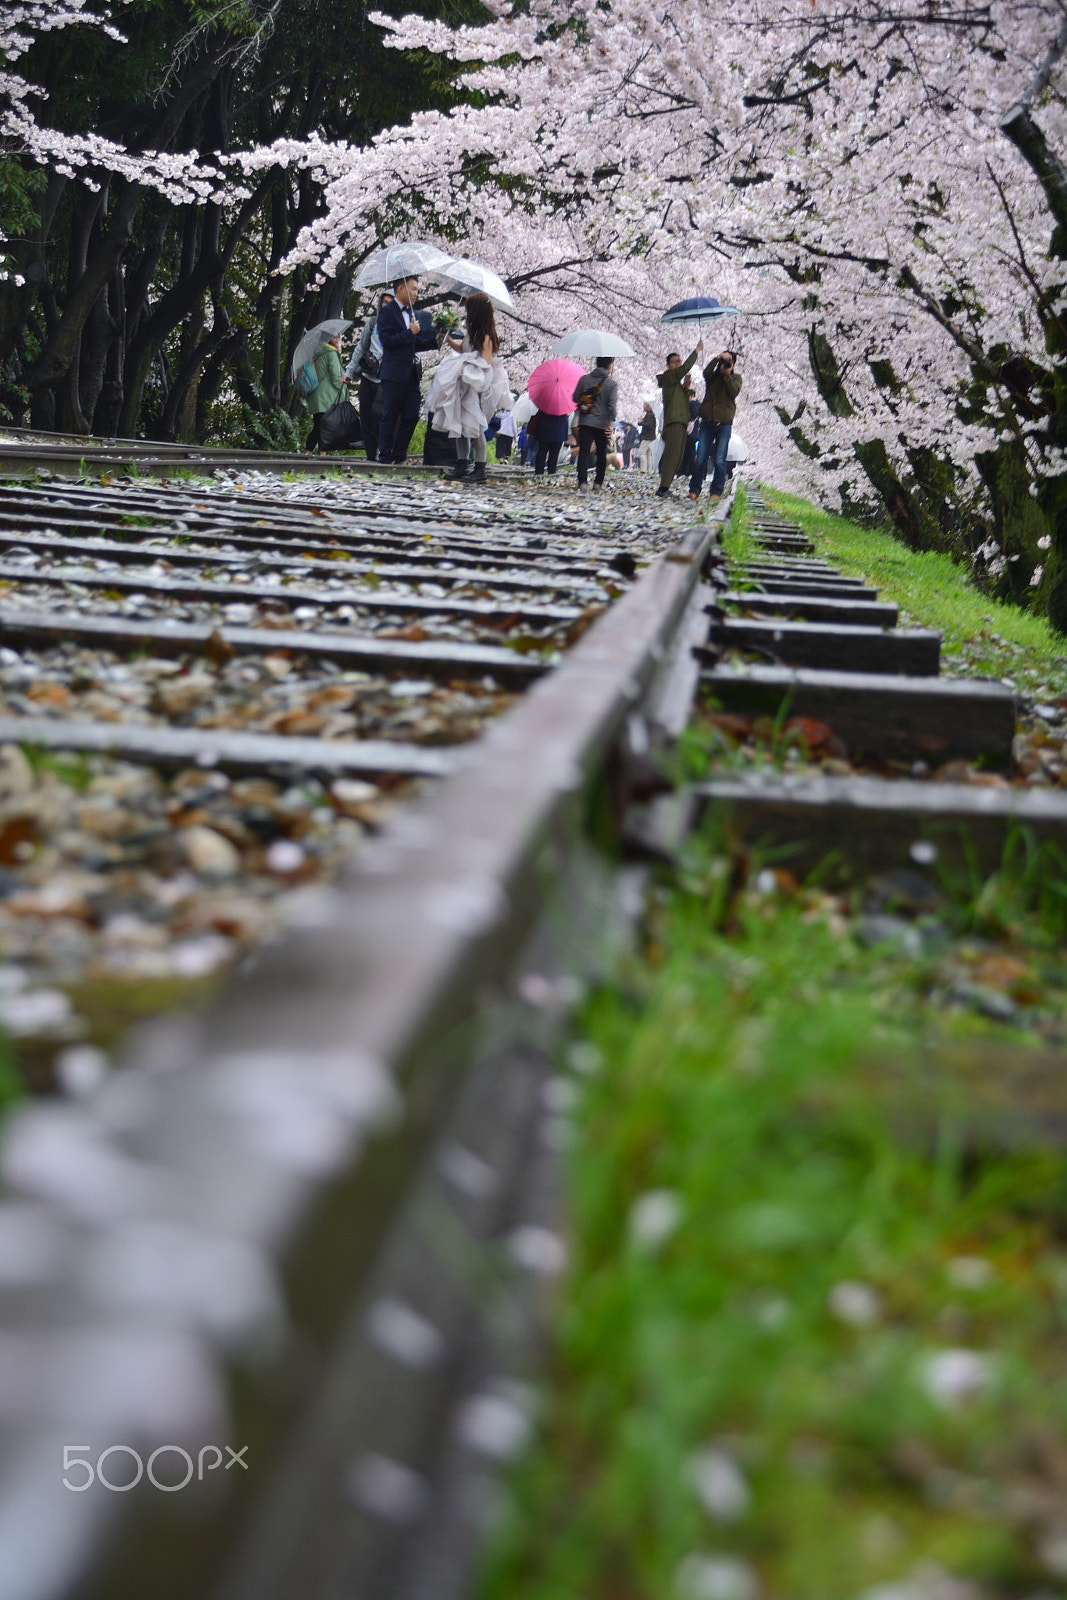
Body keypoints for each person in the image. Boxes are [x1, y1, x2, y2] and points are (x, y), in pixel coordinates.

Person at [425, 291, 511, 483]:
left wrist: (468, 368)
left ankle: (480, 467)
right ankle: (462, 464)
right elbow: (463, 348)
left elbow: (486, 363)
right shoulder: (472, 334)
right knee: (460, 424)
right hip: (463, 385)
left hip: (475, 387)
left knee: (475, 426)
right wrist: (448, 340)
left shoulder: (486, 336)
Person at [377, 276, 442, 464]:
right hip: (393, 372)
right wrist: (409, 332)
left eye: (417, 290)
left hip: (412, 373)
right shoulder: (387, 313)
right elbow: (387, 341)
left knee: (412, 414)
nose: (416, 293)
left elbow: (412, 344)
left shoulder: (411, 314)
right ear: (400, 289)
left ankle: (399, 454)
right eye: (413, 289)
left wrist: (433, 342)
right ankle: (385, 456)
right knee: (390, 414)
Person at [689, 349, 743, 503]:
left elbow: (733, 392)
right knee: (701, 458)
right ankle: (694, 490)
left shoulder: (736, 379)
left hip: (724, 424)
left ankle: (716, 492)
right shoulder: (713, 377)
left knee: (719, 459)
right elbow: (705, 373)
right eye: (723, 361)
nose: (724, 365)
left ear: (733, 364)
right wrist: (717, 358)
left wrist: (727, 375)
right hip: (707, 421)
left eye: (728, 362)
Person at [345, 290, 392, 462]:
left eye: (390, 302)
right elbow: (360, 347)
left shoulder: (400, 325)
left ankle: (384, 450)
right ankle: (371, 455)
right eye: (384, 302)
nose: (386, 305)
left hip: (386, 378)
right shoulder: (372, 323)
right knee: (365, 417)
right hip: (368, 375)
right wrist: (350, 371)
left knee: (378, 415)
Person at [655, 339, 703, 497]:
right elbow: (683, 369)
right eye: (674, 362)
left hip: (681, 422)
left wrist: (685, 388)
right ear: (668, 365)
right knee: (672, 455)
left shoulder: (676, 383)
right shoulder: (668, 378)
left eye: (679, 361)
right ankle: (663, 487)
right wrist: (696, 351)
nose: (678, 364)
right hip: (674, 422)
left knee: (678, 456)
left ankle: (666, 485)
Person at [571, 356, 618, 493]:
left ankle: (582, 482)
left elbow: (574, 398)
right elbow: (612, 407)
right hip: (602, 424)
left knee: (584, 452)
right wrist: (611, 423)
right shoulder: (611, 384)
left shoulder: (584, 379)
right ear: (609, 366)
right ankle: (598, 483)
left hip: (585, 422)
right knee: (601, 453)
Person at [304, 334, 346, 454]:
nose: (337, 340)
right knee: (325, 426)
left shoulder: (315, 352)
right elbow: (336, 378)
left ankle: (309, 452)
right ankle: (321, 454)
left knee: (318, 425)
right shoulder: (331, 353)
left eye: (338, 337)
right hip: (327, 397)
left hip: (316, 394)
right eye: (334, 337)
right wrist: (344, 393)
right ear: (328, 339)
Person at [532, 408, 570, 477]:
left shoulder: (544, 405)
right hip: (558, 433)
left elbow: (538, 418)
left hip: (544, 431)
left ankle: (538, 473)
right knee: (554, 454)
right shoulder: (562, 407)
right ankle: (551, 473)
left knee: (542, 452)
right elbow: (565, 422)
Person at [638, 401, 657, 473]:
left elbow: (649, 425)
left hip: (647, 437)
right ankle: (649, 471)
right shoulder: (651, 415)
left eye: (645, 406)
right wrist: (640, 422)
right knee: (648, 454)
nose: (644, 407)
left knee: (642, 452)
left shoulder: (649, 415)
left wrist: (642, 422)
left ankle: (643, 470)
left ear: (649, 407)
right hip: (651, 437)